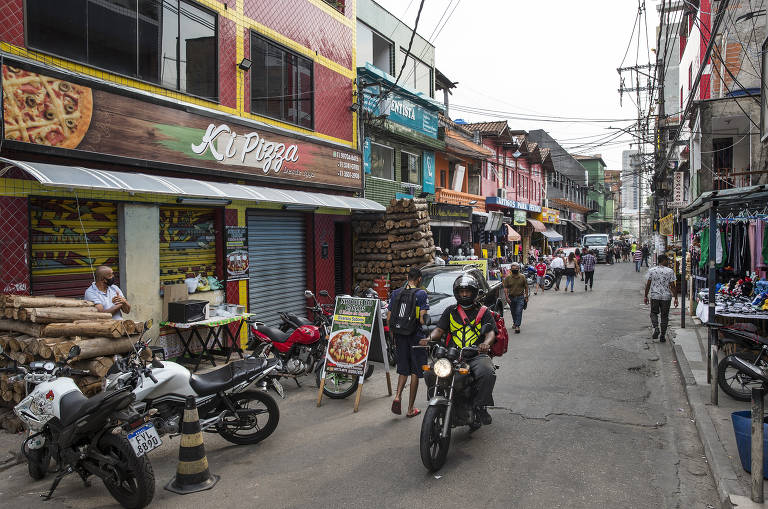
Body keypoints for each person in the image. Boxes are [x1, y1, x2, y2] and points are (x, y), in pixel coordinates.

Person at [422, 274, 497, 428]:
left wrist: (485, 344)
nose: (464, 294)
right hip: (453, 355)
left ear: (474, 292)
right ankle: (438, 398)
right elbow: (439, 330)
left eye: (467, 291)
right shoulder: (450, 311)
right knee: (430, 371)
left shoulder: (483, 312)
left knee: (487, 372)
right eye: (461, 291)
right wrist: (428, 339)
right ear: (457, 293)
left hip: (476, 354)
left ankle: (480, 406)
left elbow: (491, 333)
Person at [388, 267, 429, 418]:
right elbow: (422, 319)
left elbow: (389, 317)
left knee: (403, 368)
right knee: (415, 371)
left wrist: (394, 335)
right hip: (415, 336)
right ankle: (410, 409)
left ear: (407, 277)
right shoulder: (421, 294)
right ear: (419, 279)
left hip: (400, 335)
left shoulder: (396, 293)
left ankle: (398, 395)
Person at [644, 254, 678, 342]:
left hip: (655, 296)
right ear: (663, 260)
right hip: (666, 297)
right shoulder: (670, 271)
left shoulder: (652, 270)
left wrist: (646, 296)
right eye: (667, 260)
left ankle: (656, 327)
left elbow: (648, 284)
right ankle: (662, 335)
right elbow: (672, 286)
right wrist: (676, 298)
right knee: (664, 316)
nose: (668, 262)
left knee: (653, 313)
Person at [503, 262, 529, 333]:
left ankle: (517, 326)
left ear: (519, 269)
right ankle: (515, 322)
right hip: (511, 297)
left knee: (519, 311)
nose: (515, 270)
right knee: (513, 312)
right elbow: (505, 288)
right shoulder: (508, 278)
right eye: (513, 268)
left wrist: (526, 296)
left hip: (520, 297)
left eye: (516, 268)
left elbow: (526, 287)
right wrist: (507, 297)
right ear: (511, 269)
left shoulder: (522, 277)